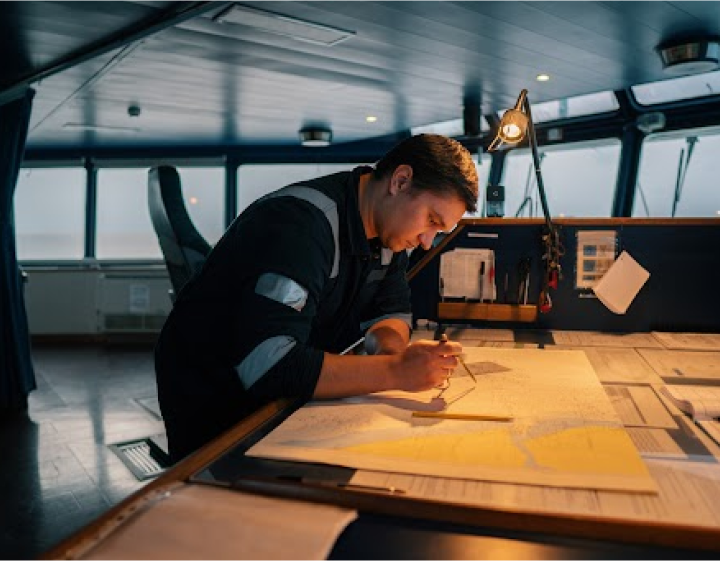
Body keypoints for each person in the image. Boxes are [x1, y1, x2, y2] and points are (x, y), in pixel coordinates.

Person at [155, 134, 479, 462]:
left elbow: (390, 310)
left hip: (283, 393)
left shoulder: (389, 231)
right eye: (431, 220)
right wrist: (395, 371)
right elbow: (270, 365)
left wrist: (394, 355)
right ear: (400, 180)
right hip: (215, 398)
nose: (426, 242)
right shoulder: (299, 226)